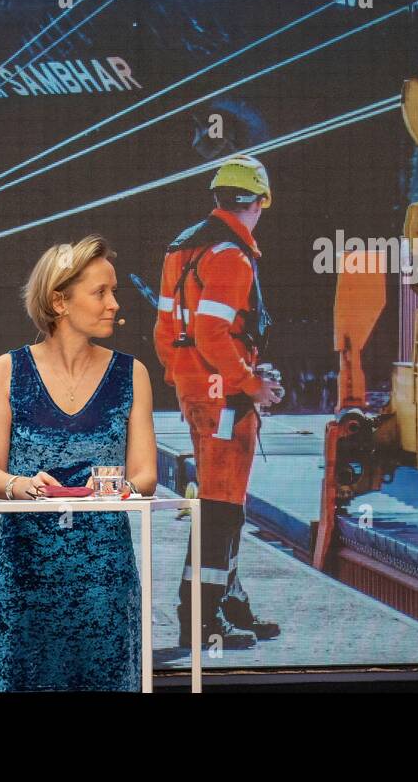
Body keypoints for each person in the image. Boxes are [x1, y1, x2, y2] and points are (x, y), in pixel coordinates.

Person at [0, 234, 157, 690]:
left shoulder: (132, 373)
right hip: (27, 581)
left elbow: (146, 477)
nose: (114, 304)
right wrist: (20, 484)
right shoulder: (7, 370)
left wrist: (116, 486)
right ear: (59, 301)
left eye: (114, 292)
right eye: (101, 292)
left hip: (105, 585)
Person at [154, 154, 284, 649]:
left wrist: (183, 378)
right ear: (260, 202)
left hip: (197, 391)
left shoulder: (180, 249)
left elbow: (167, 329)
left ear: (217, 197)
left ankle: (229, 604)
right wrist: (250, 384)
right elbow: (211, 331)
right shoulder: (231, 256)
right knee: (222, 508)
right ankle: (202, 619)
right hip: (225, 396)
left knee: (222, 504)